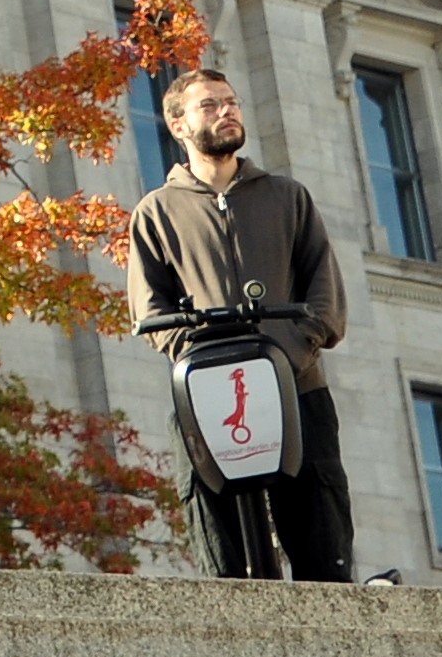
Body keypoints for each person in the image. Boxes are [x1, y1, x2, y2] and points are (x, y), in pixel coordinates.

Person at [131, 67, 355, 582]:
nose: (227, 111)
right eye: (210, 105)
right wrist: (204, 361)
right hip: (208, 398)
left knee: (323, 544)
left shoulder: (286, 197)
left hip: (297, 388)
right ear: (178, 124)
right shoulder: (156, 213)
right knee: (225, 558)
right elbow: (150, 311)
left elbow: (325, 291)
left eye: (231, 102)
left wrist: (288, 355)